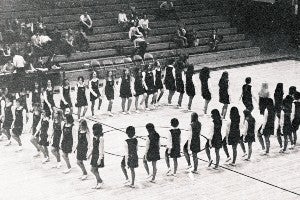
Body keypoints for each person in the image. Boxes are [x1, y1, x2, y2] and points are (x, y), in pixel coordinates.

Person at [89, 123, 104, 189]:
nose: (93, 131)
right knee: (95, 170)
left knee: (93, 169)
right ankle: (98, 182)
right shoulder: (94, 137)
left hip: (98, 155)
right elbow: (93, 147)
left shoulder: (101, 138)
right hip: (94, 154)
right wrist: (89, 154)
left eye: (94, 129)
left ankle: (100, 181)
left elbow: (101, 149)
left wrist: (99, 159)